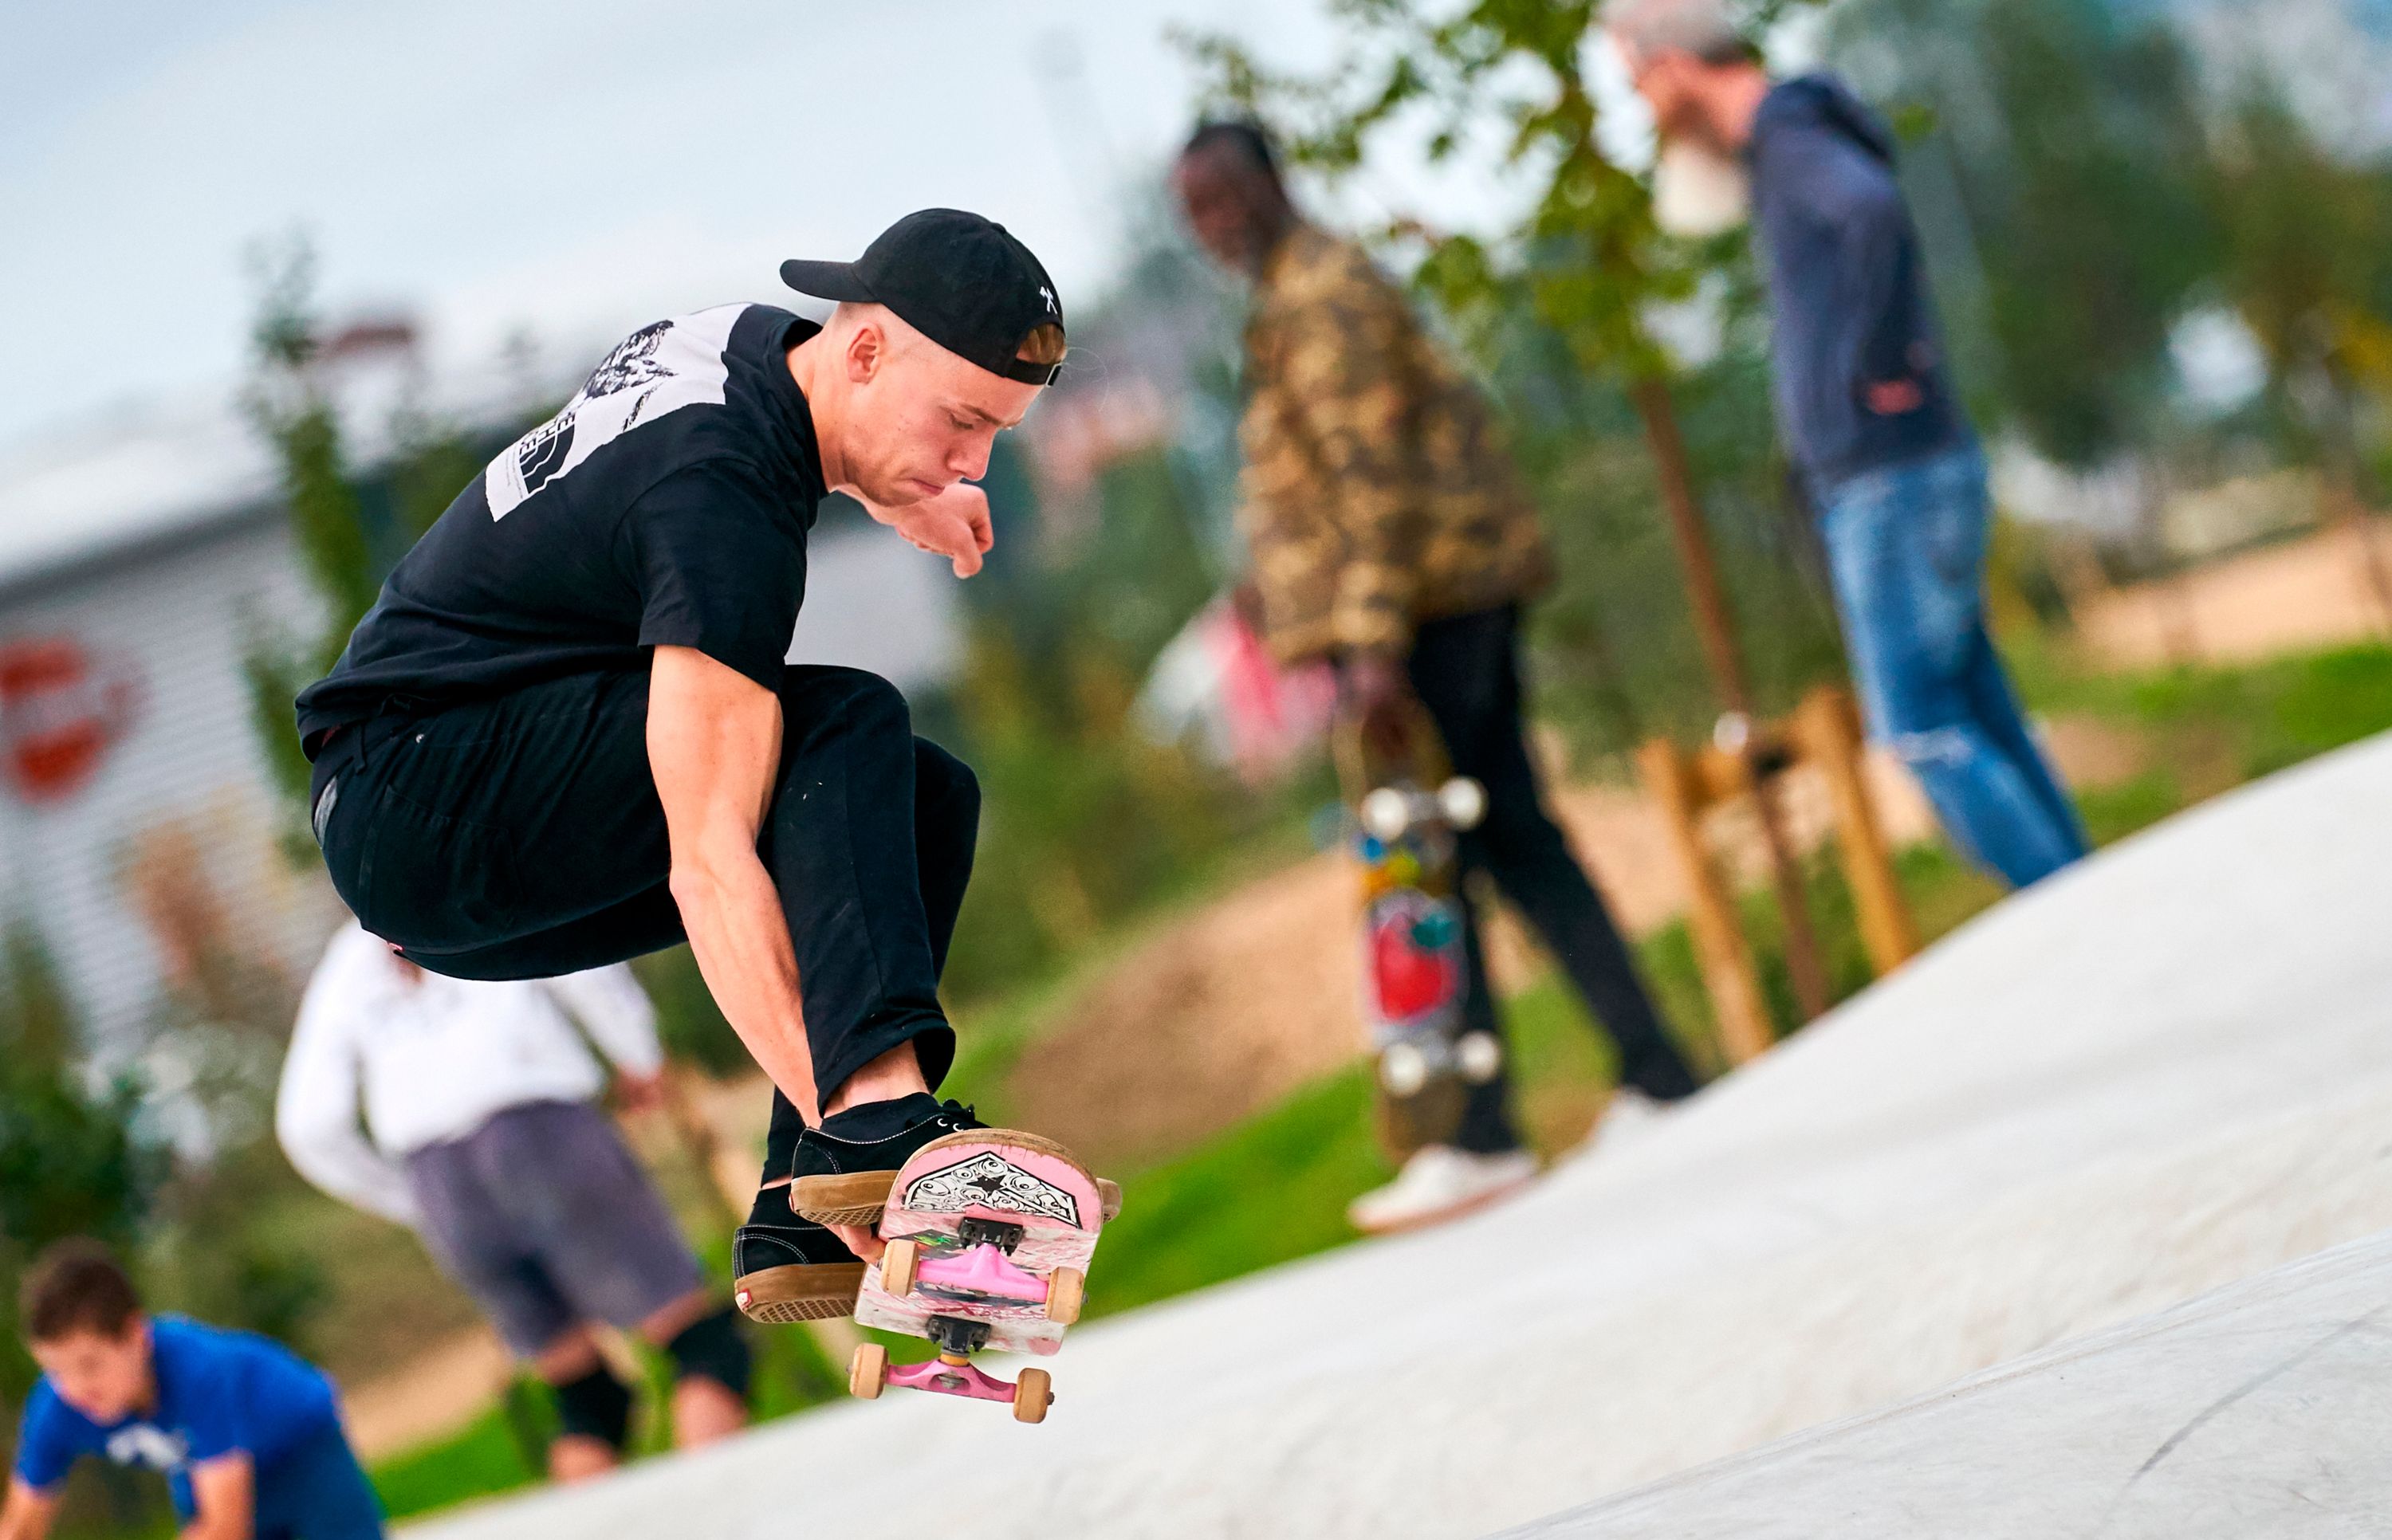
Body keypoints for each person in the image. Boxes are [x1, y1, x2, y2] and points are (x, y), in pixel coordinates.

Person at [293, 210, 1064, 1324]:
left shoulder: (744, 351)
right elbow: (709, 867)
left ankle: (800, 1211)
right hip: (426, 793)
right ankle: (868, 1129)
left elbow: (744, 445)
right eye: (961, 422)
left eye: (996, 435)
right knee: (843, 727)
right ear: (863, 351)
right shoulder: (719, 504)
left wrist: (896, 482)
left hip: (423, 811)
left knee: (919, 797)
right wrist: (869, 1145)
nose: (974, 460)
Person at [1170, 123, 1703, 1234]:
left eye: (1224, 198)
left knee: (1440, 862)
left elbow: (1376, 479)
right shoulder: (1294, 297)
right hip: (1432, 606)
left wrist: (1369, 643)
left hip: (1428, 615)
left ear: (1273, 182)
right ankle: (1635, 1078)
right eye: (1195, 211)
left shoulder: (1322, 296)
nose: (1213, 226)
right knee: (1499, 841)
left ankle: (1489, 1133)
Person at [1609, 0, 2089, 889]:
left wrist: (1871, 369)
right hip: (1909, 461)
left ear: (1668, 63)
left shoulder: (1786, 140)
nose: (1641, 110)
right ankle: (2094, 896)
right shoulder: (1789, 140)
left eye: (1635, 83)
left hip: (1886, 475)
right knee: (1978, 709)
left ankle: (2066, 908)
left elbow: (1870, 214)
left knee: (1918, 728)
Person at [275, 922, 748, 1482]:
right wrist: (641, 1056)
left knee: (585, 1400)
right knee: (704, 1346)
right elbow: (582, 964)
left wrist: (413, 1200)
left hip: (441, 1182)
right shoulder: (477, 887)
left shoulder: (348, 959)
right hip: (538, 1131)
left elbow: (309, 1125)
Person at [0, 1239, 383, 1540]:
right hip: (204, 1469)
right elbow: (21, 1527)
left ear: (136, 1336)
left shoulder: (196, 1366)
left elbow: (227, 1528)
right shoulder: (56, 1404)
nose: (74, 1389)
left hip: (301, 1453)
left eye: (89, 1365)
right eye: (55, 1370)